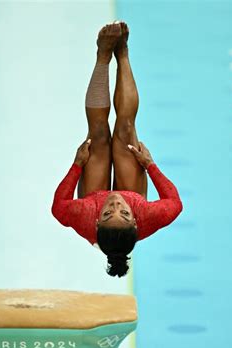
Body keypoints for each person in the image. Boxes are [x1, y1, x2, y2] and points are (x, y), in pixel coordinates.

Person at [52, 21, 182, 277]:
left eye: (108, 211)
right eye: (123, 212)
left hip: (92, 195)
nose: (115, 202)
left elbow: (58, 206)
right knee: (125, 129)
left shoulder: (83, 215)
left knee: (98, 135)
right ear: (134, 220)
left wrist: (77, 165)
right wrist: (150, 165)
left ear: (98, 219)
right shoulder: (148, 216)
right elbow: (174, 203)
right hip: (132, 196)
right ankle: (122, 52)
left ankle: (102, 56)